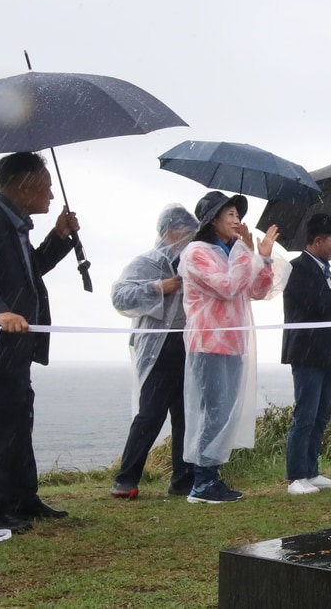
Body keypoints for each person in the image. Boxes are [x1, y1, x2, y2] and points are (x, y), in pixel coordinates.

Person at [0, 151, 78, 533]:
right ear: (25, 187)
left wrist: (59, 237)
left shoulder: (16, 227)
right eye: (47, 187)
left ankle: (22, 499)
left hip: (15, 350)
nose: (52, 195)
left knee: (18, 424)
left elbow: (29, 272)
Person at [179, 191, 280, 503]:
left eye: (238, 215)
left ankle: (211, 477)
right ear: (212, 219)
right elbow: (227, 287)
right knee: (214, 410)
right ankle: (202, 483)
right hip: (208, 343)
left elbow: (257, 291)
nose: (238, 221)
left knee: (224, 414)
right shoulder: (197, 252)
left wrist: (261, 257)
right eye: (231, 215)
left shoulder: (232, 251)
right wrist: (243, 253)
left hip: (234, 343)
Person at [108, 204, 199, 499]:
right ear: (167, 231)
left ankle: (183, 480)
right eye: (183, 233)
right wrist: (159, 287)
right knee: (149, 416)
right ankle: (126, 479)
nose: (187, 240)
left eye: (191, 234)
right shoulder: (146, 262)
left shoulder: (192, 263)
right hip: (157, 350)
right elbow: (120, 296)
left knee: (185, 417)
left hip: (187, 346)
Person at [282, 214, 331, 496]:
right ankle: (296, 476)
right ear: (317, 240)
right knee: (306, 413)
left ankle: (311, 470)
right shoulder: (298, 268)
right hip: (306, 350)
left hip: (328, 352)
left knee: (321, 414)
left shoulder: (326, 270)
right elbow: (315, 305)